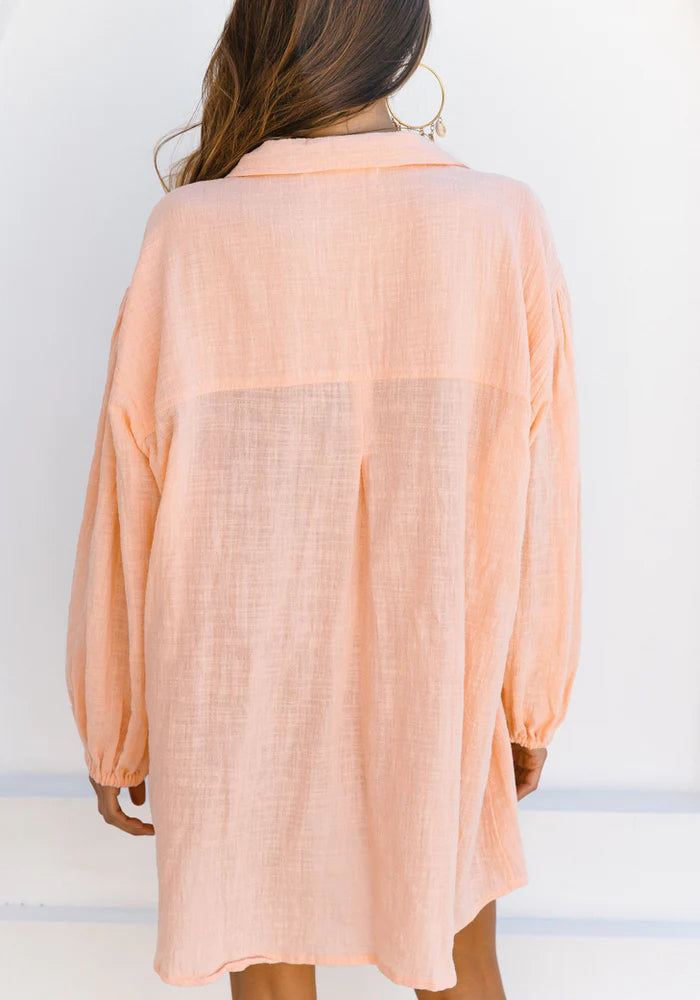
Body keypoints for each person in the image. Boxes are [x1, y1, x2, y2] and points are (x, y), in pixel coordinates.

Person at [64, 1, 581, 998]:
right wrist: (529, 698)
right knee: (459, 961)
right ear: (404, 45)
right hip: (439, 677)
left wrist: (117, 723)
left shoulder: (190, 233)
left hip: (233, 690)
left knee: (263, 956)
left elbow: (128, 497)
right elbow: (543, 489)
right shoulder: (498, 222)